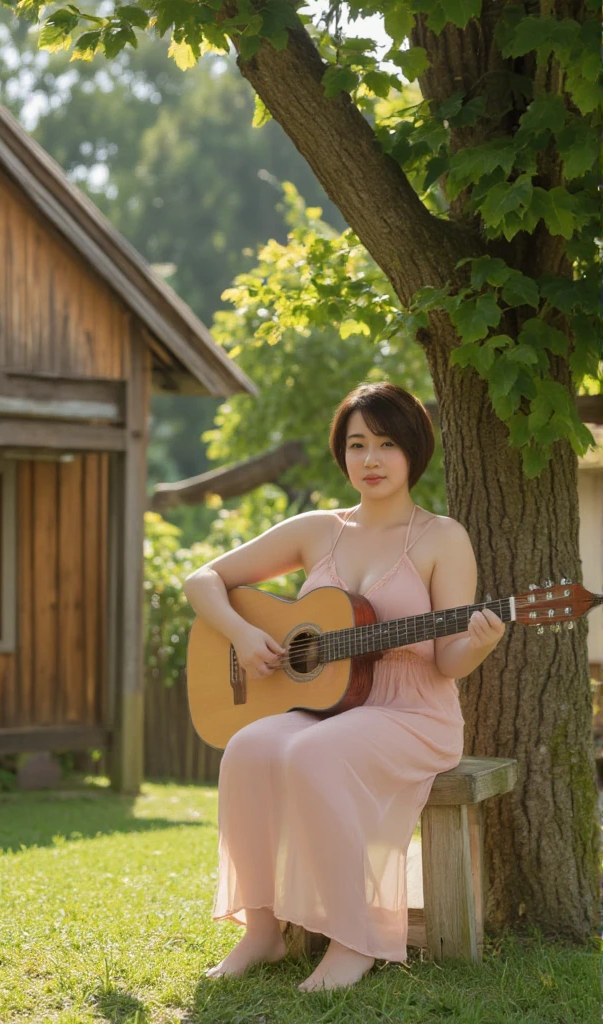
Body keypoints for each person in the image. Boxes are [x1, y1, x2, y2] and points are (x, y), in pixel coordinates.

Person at [183, 381, 506, 991]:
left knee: (313, 754)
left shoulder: (442, 538)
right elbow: (203, 580)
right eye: (357, 445)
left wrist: (480, 642)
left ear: (413, 451)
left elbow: (447, 661)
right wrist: (244, 636)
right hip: (328, 706)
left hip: (413, 715)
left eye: (386, 444)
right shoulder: (317, 529)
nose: (371, 460)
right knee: (248, 747)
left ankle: (355, 938)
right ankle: (261, 930)